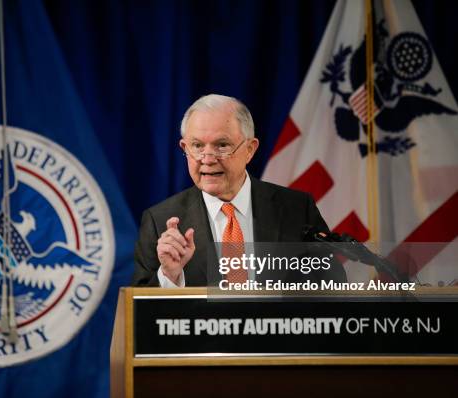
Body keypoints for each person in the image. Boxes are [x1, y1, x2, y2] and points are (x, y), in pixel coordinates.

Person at [132, 94, 346, 287]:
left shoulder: (296, 209)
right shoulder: (159, 221)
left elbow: (333, 286)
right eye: (197, 146)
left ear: (250, 150)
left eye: (222, 145)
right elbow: (138, 317)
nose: (207, 159)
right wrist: (169, 276)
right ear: (184, 149)